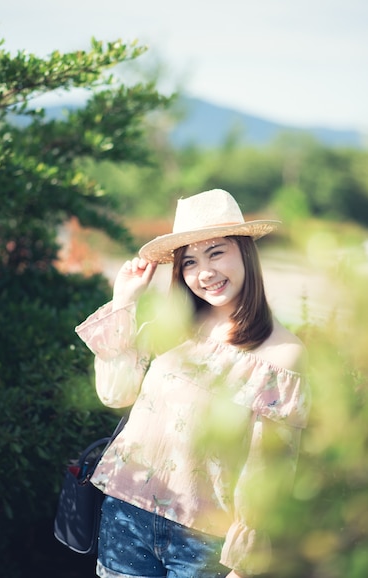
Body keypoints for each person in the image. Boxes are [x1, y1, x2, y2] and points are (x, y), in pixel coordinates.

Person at [75, 189, 310, 578]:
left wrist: (245, 564)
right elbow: (114, 393)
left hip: (204, 539)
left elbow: (269, 470)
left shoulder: (281, 354)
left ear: (244, 252)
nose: (204, 272)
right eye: (189, 261)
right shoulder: (173, 328)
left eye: (216, 252)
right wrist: (124, 300)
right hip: (127, 512)